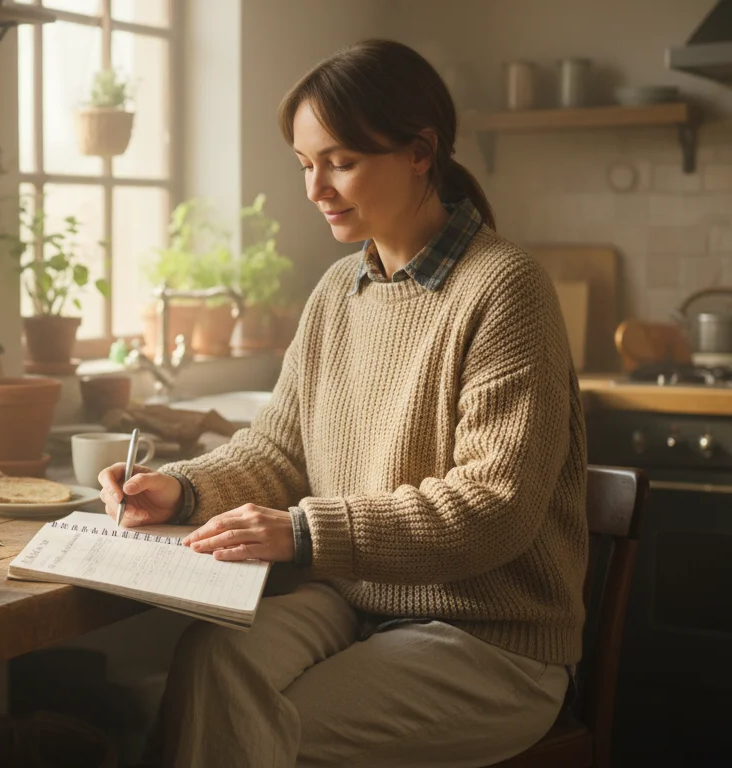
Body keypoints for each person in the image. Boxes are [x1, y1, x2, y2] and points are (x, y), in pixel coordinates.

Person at [98, 39, 586, 768]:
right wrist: (185, 488)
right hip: (353, 605)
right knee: (213, 660)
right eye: (305, 165)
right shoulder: (338, 292)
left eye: (340, 162)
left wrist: (301, 533)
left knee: (259, 730)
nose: (315, 189)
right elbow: (279, 450)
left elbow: (496, 505)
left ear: (421, 151)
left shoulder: (504, 289)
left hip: (490, 640)